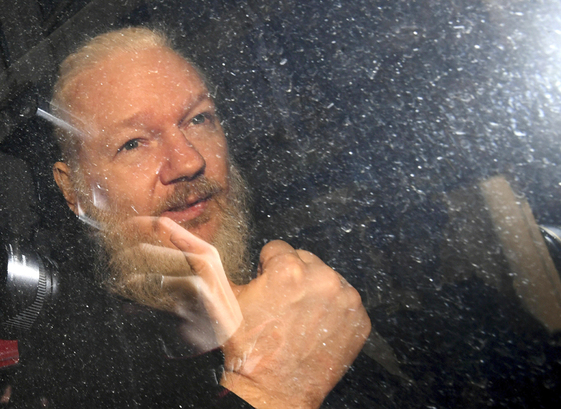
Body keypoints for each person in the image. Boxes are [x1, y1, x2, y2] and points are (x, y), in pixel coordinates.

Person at [44, 26, 371, 408]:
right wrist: (269, 390)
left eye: (198, 119)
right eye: (132, 143)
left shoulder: (302, 285)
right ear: (74, 192)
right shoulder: (65, 367)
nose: (189, 161)